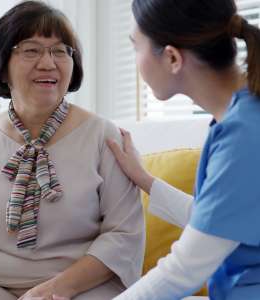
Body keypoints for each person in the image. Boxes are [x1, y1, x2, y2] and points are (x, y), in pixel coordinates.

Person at [0, 1, 145, 300]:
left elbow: (123, 235)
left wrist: (56, 289)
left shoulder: (103, 136)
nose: (48, 63)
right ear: (2, 65)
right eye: (31, 50)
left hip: (83, 286)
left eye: (60, 51)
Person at [107, 0, 260, 299]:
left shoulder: (244, 134)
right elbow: (212, 222)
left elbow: (183, 271)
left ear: (172, 58)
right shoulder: (238, 119)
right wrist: (144, 179)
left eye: (136, 47)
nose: (136, 59)